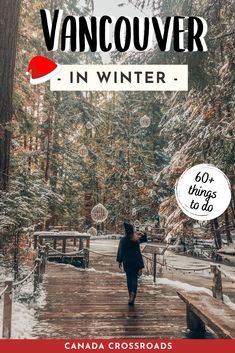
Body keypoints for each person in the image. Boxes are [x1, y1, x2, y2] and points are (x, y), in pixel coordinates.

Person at [116, 222, 147, 305]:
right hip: (136, 261)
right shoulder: (136, 238)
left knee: (129, 278)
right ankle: (133, 293)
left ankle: (130, 295)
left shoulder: (123, 240)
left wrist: (119, 261)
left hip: (127, 261)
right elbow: (144, 239)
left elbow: (121, 251)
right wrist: (143, 233)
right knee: (134, 278)